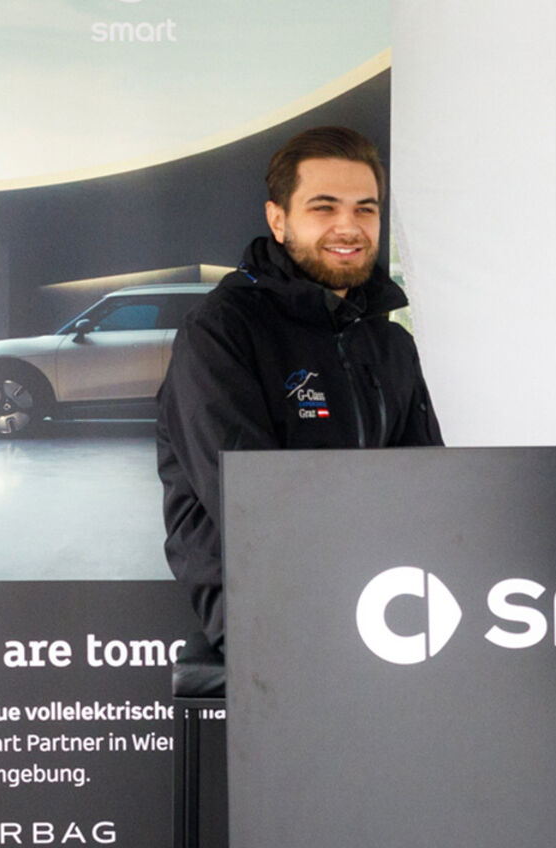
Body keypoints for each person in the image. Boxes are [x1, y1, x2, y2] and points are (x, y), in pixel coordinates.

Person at [157, 125, 442, 685]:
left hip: (376, 585)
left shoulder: (390, 342)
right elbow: (247, 504)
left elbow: (427, 484)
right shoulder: (220, 331)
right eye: (324, 207)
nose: (349, 227)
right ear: (278, 220)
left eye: (366, 209)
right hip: (260, 598)